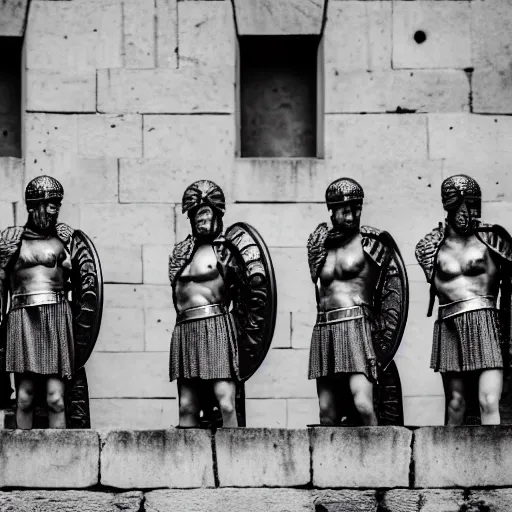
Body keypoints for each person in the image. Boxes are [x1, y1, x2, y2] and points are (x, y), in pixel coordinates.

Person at [169, 180, 276, 428]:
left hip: (216, 327)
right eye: (195, 214)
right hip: (185, 329)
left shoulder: (229, 250)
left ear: (216, 214)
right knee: (186, 406)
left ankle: (235, 461)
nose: (199, 219)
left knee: (226, 402)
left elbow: (252, 293)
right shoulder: (180, 253)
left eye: (204, 212)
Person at [307, 178, 408, 426]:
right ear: (331, 211)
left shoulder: (372, 243)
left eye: (356, 209)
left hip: (356, 328)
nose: (351, 216)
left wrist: (380, 336)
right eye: (344, 211)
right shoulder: (319, 246)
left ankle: (379, 458)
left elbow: (394, 288)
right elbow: (320, 291)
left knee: (363, 404)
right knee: (326, 413)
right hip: (325, 329)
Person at [416, 174, 512, 425]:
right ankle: (446, 463)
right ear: (450, 205)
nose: (470, 212)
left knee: (489, 400)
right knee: (455, 404)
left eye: (473, 205)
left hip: (486, 321)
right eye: (464, 205)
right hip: (449, 323)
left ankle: (495, 462)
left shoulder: (492, 238)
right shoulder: (430, 247)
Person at [0, 176, 74, 429]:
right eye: (51, 205)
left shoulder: (66, 239)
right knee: (24, 398)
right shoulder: (11, 240)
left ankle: (61, 461)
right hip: (22, 316)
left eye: (57, 206)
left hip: (55, 316)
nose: (55, 211)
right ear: (37, 206)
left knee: (56, 399)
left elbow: (82, 283)